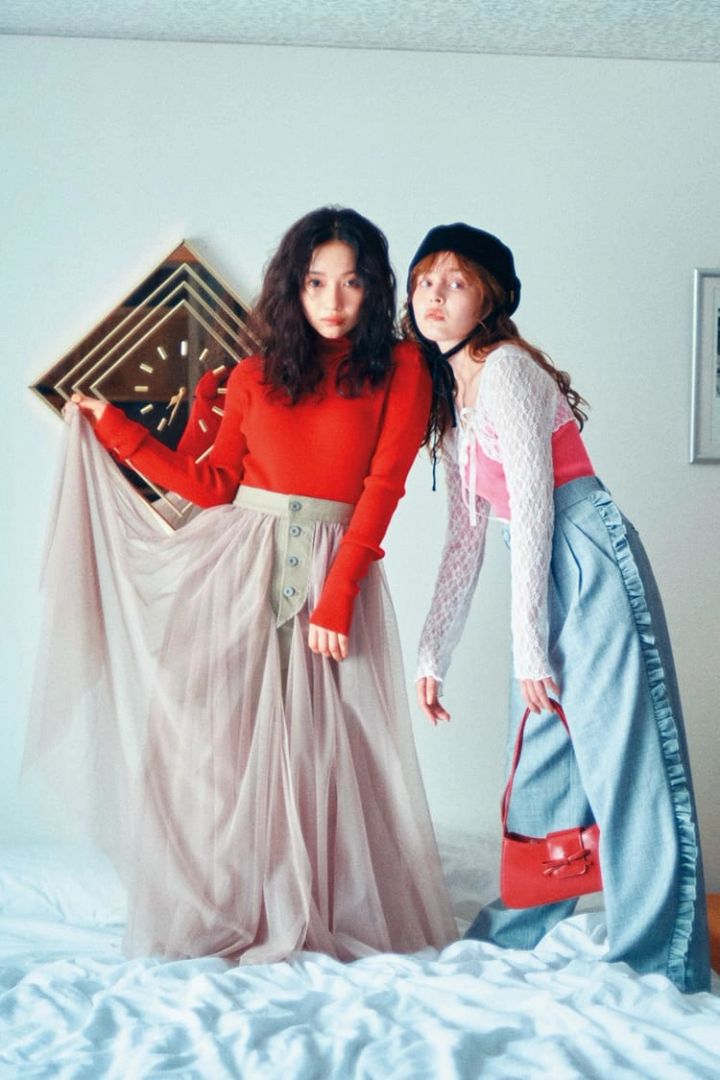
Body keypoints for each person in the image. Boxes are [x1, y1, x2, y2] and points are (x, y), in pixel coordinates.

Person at [25, 207, 457, 964]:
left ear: (374, 288)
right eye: (316, 282)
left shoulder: (402, 368)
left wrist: (338, 594)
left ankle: (322, 904)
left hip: (334, 571)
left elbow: (383, 488)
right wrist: (116, 429)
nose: (332, 300)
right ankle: (243, 900)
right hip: (240, 569)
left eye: (351, 283)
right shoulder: (255, 376)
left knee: (331, 749)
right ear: (293, 287)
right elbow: (214, 485)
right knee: (228, 744)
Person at [404, 222, 710, 993]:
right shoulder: (455, 398)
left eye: (456, 282)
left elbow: (538, 508)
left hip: (585, 554)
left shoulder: (505, 370)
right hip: (538, 567)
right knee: (542, 757)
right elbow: (467, 539)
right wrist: (433, 652)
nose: (435, 295)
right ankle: (517, 933)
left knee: (624, 758)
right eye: (425, 281)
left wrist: (529, 647)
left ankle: (659, 959)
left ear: (489, 299)